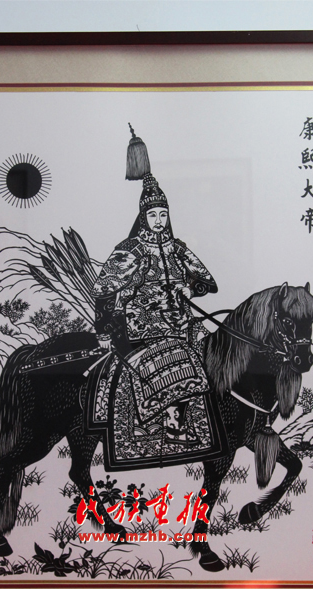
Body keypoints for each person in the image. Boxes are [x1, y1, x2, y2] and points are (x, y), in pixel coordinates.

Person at [91, 125, 218, 445]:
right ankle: (157, 426)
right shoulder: (130, 250)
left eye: (163, 214)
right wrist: (103, 330)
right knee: (170, 363)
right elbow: (103, 290)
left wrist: (191, 288)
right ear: (143, 217)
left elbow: (207, 282)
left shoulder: (178, 248)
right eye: (153, 215)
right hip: (140, 325)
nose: (159, 221)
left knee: (209, 358)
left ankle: (194, 422)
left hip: (179, 322)